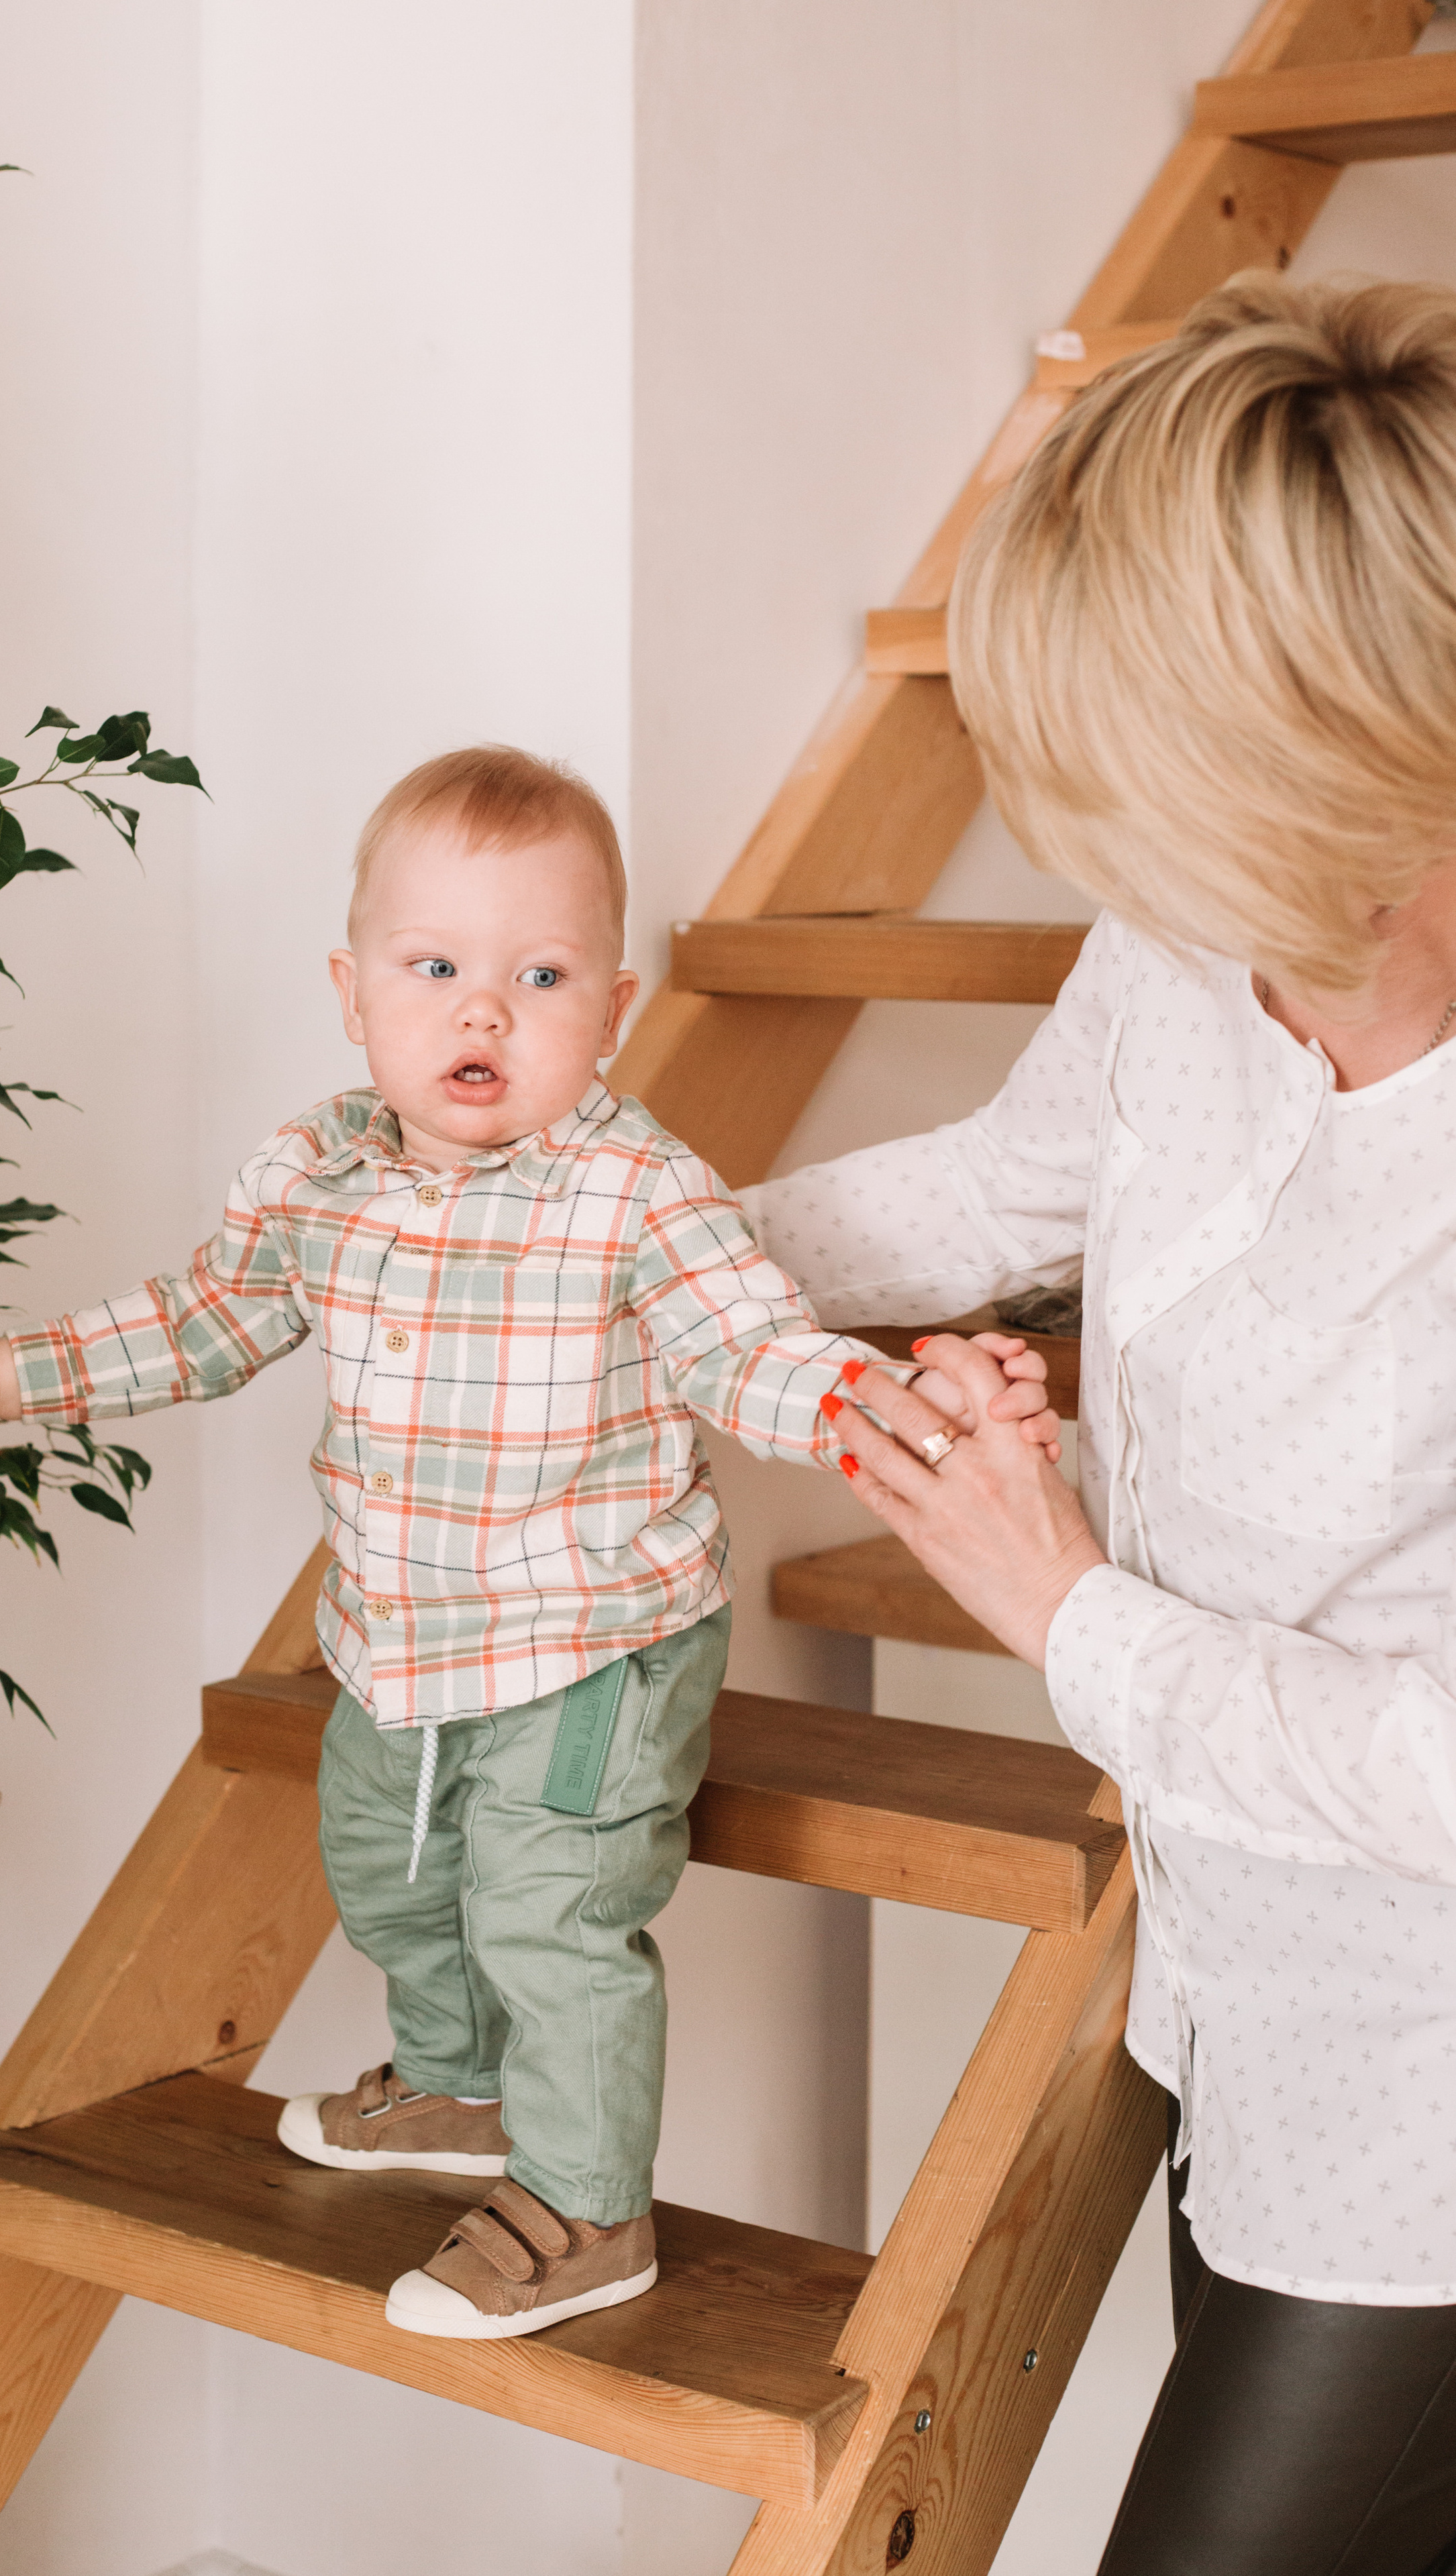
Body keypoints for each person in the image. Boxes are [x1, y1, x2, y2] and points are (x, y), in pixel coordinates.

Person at [0, 743, 1055, 2343]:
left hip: (590, 1642)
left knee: (549, 1913)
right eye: (435, 970)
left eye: (538, 978)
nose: (482, 1012)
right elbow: (201, 1324)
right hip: (397, 1638)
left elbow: (748, 1349)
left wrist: (891, 1408)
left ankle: (585, 2206)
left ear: (610, 1010)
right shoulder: (316, 1174)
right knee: (390, 1873)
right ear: (352, 994)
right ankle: (459, 2086)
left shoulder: (637, 1194)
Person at [744, 274, 1456, 2574]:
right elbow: (1004, 1186)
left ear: (1347, 790)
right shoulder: (1185, 939)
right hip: (1237, 1985)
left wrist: (1057, 1604)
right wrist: (637, 1266)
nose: (1097, 870)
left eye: (1143, 808)